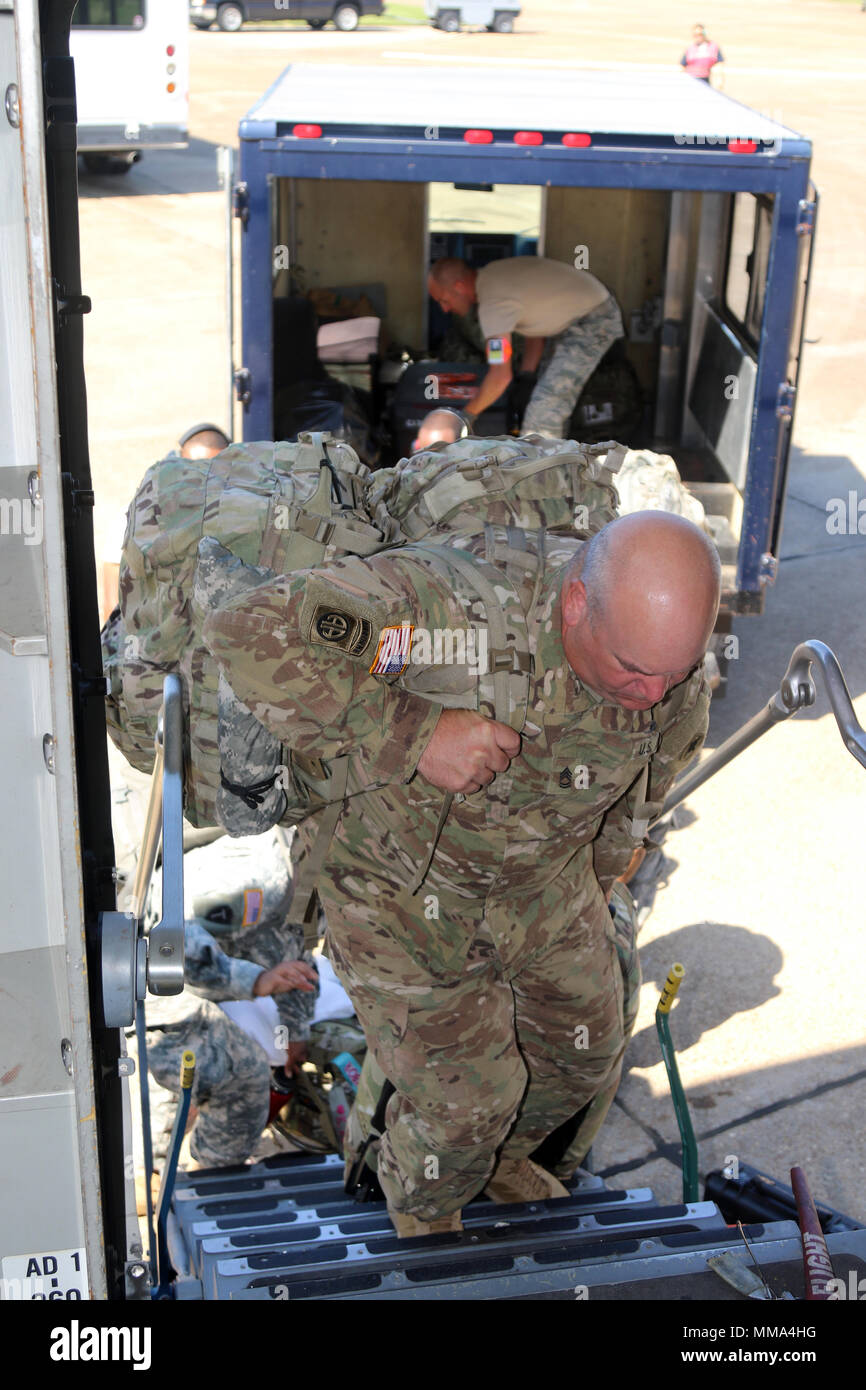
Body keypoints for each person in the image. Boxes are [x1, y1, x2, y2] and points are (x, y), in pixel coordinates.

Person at [201, 505, 721, 1235]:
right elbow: (252, 627)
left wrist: (602, 878)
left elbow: (649, 775)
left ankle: (499, 1161)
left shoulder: (670, 667)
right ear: (577, 602)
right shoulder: (451, 620)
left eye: (675, 673)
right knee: (468, 1102)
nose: (652, 694)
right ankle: (425, 1212)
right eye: (633, 670)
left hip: (540, 878)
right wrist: (412, 731)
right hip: (396, 884)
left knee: (584, 1052)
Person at [144, 830, 319, 1168]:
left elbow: (296, 952)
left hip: (193, 978)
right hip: (148, 978)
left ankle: (199, 1164)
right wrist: (255, 981)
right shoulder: (258, 880)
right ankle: (166, 1169)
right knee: (241, 1068)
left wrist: (296, 1032)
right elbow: (172, 941)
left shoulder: (306, 881)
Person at [425, 256, 625, 443]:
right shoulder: (492, 277)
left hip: (592, 319)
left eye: (443, 300)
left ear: (459, 287)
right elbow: (534, 327)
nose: (444, 309)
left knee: (544, 410)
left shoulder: (493, 303)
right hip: (571, 319)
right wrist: (526, 377)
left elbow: (500, 376)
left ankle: (542, 475)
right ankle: (558, 459)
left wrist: (465, 415)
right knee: (545, 398)